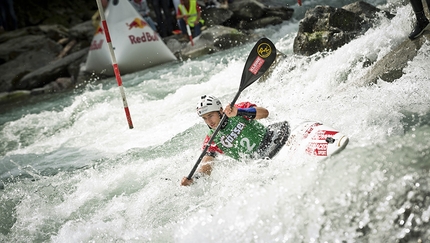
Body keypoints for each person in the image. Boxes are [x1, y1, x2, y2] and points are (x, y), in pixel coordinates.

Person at [181, 95, 290, 186]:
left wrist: (240, 112)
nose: (209, 121)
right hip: (259, 160)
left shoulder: (237, 110)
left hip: (273, 140)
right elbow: (206, 168)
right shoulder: (211, 140)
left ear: (220, 110)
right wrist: (194, 180)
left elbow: (265, 113)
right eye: (204, 118)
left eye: (210, 115)